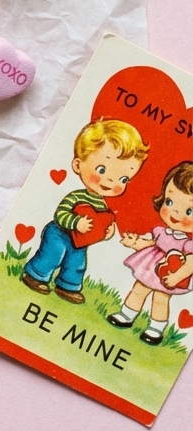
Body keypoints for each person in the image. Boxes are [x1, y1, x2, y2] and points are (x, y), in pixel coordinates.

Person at [21, 119, 149, 304]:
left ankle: (68, 286)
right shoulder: (76, 197)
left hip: (80, 241)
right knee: (53, 254)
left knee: (77, 263)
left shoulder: (102, 206)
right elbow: (61, 214)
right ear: (78, 165)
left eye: (123, 179)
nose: (111, 181)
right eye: (102, 169)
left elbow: (101, 222)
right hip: (60, 233)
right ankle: (36, 275)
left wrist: (106, 232)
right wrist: (76, 223)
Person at [109, 160, 193, 345]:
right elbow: (151, 243)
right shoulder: (160, 231)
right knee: (138, 290)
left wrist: (177, 276)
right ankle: (126, 315)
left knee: (161, 299)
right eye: (169, 202)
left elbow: (191, 262)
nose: (176, 213)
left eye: (189, 210)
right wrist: (135, 242)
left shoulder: (188, 244)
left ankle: (155, 329)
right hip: (149, 267)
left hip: (169, 275)